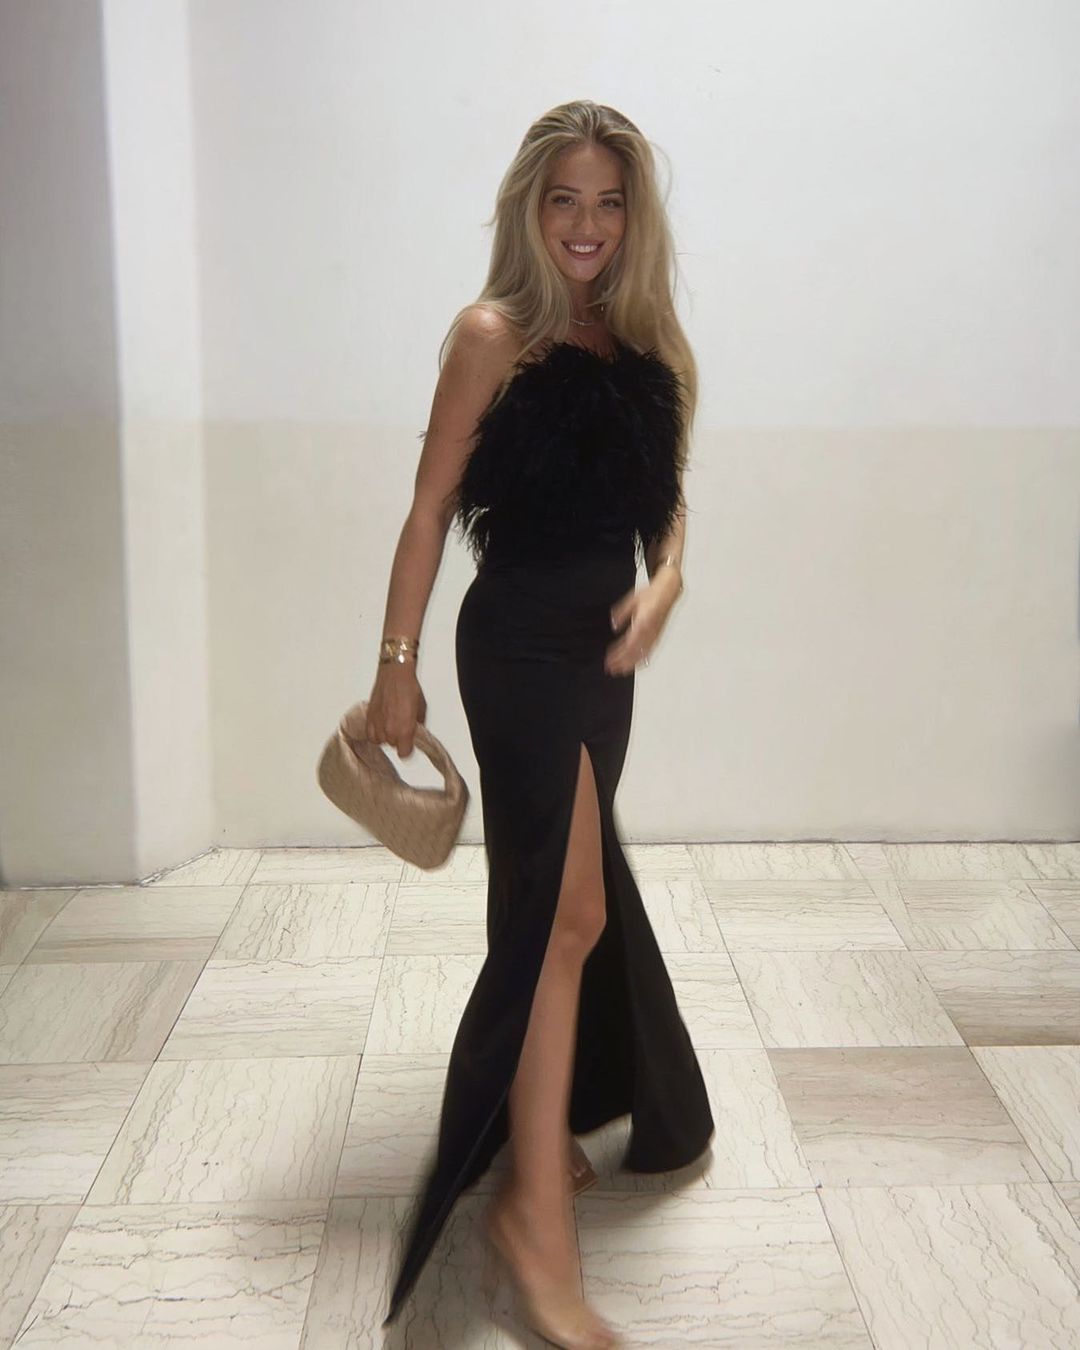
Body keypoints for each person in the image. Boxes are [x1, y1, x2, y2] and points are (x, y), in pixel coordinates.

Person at [367, 99, 715, 1349]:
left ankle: (537, 1121)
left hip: (604, 654)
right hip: (514, 643)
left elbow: (667, 499)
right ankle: (534, 1228)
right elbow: (428, 508)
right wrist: (396, 665)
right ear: (529, 207)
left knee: (545, 899)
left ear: (634, 217)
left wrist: (667, 580)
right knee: (569, 914)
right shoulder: (491, 335)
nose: (586, 224)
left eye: (608, 201)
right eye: (564, 198)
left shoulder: (645, 337)